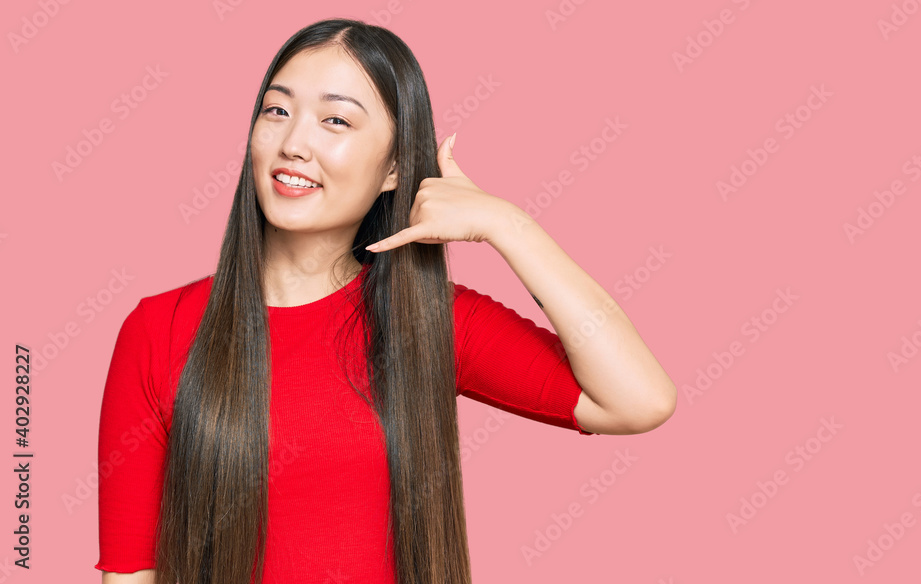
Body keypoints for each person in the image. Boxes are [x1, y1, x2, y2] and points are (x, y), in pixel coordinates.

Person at [95, 18, 676, 584]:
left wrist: (509, 226)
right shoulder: (161, 329)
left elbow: (638, 399)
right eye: (277, 111)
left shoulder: (427, 320)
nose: (295, 142)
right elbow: (131, 568)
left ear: (395, 168)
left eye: (335, 120)